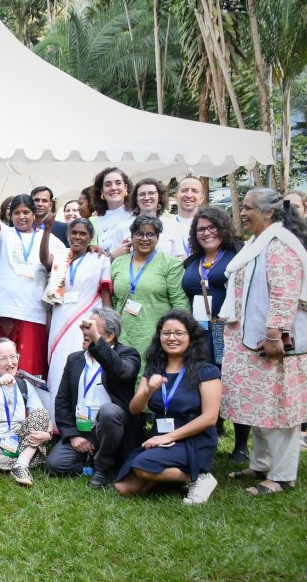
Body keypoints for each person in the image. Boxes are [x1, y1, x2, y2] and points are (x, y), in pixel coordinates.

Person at [220, 188, 307, 496]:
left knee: (281, 406)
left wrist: (274, 334)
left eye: (248, 208)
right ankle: (261, 463)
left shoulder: (281, 243)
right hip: (252, 340)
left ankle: (283, 475)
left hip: (274, 343)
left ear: (269, 212)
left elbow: (285, 292)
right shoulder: (261, 241)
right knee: (261, 405)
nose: (242, 212)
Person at [115, 310, 222, 505]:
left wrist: (168, 437)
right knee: (124, 488)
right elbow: (134, 409)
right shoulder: (154, 369)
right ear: (159, 337)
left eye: (179, 333)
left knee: (142, 468)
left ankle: (200, 478)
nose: (172, 338)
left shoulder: (207, 371)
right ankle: (175, 476)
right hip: (161, 440)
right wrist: (147, 391)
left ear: (191, 337)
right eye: (166, 333)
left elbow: (210, 417)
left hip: (193, 439)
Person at [0, 172, 65, 378]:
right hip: (4, 308)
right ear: (10, 215)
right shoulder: (4, 236)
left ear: (34, 214)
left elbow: (65, 263)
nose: (22, 216)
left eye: (26, 212)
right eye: (17, 213)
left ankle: (31, 410)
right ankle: (4, 407)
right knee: (4, 367)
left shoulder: (51, 240)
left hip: (33, 311)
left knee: (30, 368)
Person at [45, 308, 141, 488]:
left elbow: (121, 371)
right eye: (86, 328)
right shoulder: (75, 359)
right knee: (55, 465)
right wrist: (73, 436)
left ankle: (102, 469)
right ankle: (96, 462)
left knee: (109, 412)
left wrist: (97, 341)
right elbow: (63, 401)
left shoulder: (128, 354)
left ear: (110, 335)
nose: (85, 332)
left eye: (92, 328)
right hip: (82, 430)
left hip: (112, 430)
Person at [181, 206, 248, 462]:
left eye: (212, 227)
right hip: (198, 333)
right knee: (202, 382)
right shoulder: (192, 262)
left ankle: (241, 445)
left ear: (223, 228)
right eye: (201, 229)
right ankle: (205, 434)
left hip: (228, 330)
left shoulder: (237, 254)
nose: (207, 233)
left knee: (233, 382)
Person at [40, 216, 112, 428]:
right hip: (60, 317)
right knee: (58, 366)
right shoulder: (61, 256)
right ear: (68, 235)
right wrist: (47, 231)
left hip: (87, 320)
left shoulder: (100, 259)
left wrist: (108, 326)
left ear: (90, 237)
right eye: (74, 233)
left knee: (85, 367)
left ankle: (85, 421)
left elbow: (105, 294)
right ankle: (57, 423)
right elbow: (44, 259)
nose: (78, 237)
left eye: (83, 234)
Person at [0, 339, 52, 487]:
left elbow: (42, 415)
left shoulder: (24, 384)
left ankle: (21, 465)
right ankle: (26, 459)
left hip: (16, 438)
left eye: (13, 357)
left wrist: (48, 434)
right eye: (3, 358)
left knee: (41, 413)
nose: (10, 363)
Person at [111, 215, 190, 369]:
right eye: (139, 234)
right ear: (132, 236)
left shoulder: (170, 264)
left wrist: (176, 336)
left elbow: (180, 304)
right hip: (123, 335)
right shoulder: (119, 262)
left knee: (150, 380)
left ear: (158, 237)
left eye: (150, 234)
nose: (144, 238)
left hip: (156, 336)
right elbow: (115, 300)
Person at [128, 177, 187, 259]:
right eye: (142, 194)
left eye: (151, 193)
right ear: (136, 199)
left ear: (159, 197)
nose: (147, 197)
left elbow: (179, 259)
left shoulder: (173, 226)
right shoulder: (124, 226)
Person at [89, 167, 134, 257]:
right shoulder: (93, 222)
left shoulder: (136, 215)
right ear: (102, 191)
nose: (113, 188)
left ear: (125, 188)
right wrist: (112, 255)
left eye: (118, 183)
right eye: (108, 184)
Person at [172, 177, 207, 256]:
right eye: (184, 190)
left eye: (194, 191)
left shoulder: (210, 226)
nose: (189, 195)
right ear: (175, 197)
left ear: (201, 199)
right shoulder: (166, 225)